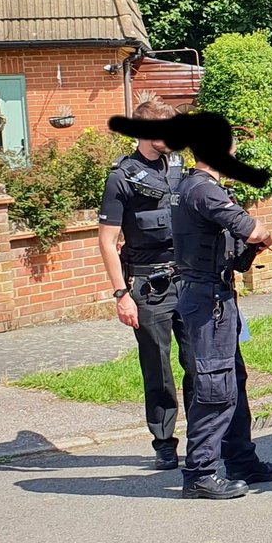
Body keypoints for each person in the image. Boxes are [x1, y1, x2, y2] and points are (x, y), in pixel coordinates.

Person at [172, 141, 272, 499]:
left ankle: (241, 462)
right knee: (215, 387)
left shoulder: (196, 187)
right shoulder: (203, 190)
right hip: (207, 299)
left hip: (215, 295)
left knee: (232, 381)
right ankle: (199, 474)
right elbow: (253, 231)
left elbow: (235, 244)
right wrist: (262, 235)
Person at [97, 98, 192, 470]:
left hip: (188, 279)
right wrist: (121, 294)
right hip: (149, 285)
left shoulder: (179, 167)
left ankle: (202, 439)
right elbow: (107, 241)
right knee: (158, 369)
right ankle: (164, 442)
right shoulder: (121, 177)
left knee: (198, 362)